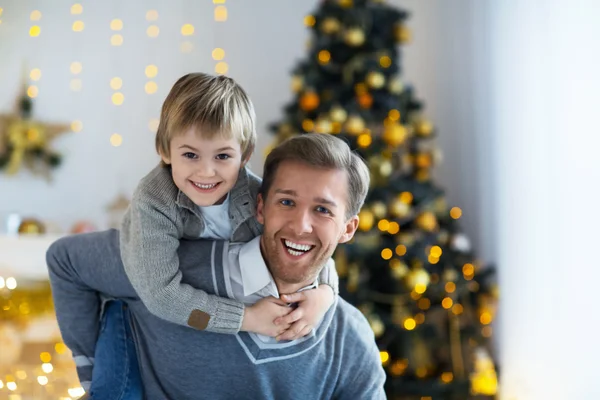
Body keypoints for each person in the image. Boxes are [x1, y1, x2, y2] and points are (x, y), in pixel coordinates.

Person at [51, 73, 339, 396]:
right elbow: (161, 294)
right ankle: (88, 358)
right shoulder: (154, 200)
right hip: (140, 275)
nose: (206, 171)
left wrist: (325, 296)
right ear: (164, 149)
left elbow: (306, 246)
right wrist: (247, 318)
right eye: (190, 155)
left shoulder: (256, 194)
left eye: (222, 156)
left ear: (244, 155)